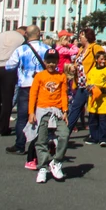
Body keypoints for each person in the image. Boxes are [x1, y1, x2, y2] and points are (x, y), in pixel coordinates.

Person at [5, 25, 50, 167]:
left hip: (26, 85)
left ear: (26, 35)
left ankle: (20, 145)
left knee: (22, 117)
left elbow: (9, 66)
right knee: (41, 115)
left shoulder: (21, 49)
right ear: (39, 34)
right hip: (42, 86)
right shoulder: (46, 49)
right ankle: (39, 143)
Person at [30, 49, 69, 184]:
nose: (51, 64)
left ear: (57, 62)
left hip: (57, 111)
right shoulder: (39, 76)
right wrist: (31, 112)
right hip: (42, 111)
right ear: (45, 62)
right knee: (41, 140)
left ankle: (56, 161)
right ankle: (42, 167)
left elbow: (64, 94)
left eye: (54, 61)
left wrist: (65, 111)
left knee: (64, 134)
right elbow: (33, 95)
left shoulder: (61, 76)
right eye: (49, 62)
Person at [67, 28, 104, 133]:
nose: (80, 38)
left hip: (92, 84)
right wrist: (73, 67)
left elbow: (105, 63)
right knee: (75, 108)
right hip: (81, 84)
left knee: (94, 110)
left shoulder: (96, 48)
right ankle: (66, 133)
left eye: (81, 36)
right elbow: (78, 63)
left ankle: (97, 134)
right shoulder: (81, 49)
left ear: (87, 37)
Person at [0, 25, 25, 135]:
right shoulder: (21, 39)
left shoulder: (1, 35)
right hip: (8, 68)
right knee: (7, 99)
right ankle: (4, 127)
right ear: (23, 32)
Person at [86, 50, 106, 147]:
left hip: (103, 99)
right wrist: (90, 88)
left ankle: (103, 138)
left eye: (105, 59)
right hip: (93, 99)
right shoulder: (92, 71)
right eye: (101, 59)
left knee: (102, 119)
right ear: (96, 60)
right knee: (92, 119)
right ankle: (94, 137)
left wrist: (103, 90)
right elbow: (88, 82)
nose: (103, 61)